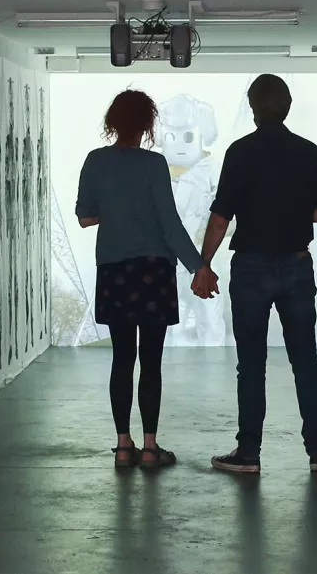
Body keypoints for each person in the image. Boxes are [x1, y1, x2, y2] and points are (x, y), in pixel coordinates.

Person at [193, 74, 317, 474]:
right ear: (287, 107)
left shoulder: (240, 153)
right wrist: (291, 212)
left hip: (252, 268)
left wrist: (203, 264)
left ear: (255, 109)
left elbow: (221, 216)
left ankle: (249, 454)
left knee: (252, 363)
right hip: (296, 265)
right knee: (306, 361)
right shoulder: (307, 151)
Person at [75, 90, 217, 469]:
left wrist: (116, 211)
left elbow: (85, 217)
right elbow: (169, 224)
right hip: (153, 271)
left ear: (113, 123)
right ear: (147, 125)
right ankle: (151, 448)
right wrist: (198, 267)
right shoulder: (154, 164)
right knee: (150, 361)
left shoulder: (95, 161)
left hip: (115, 270)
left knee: (122, 358)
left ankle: (123, 446)